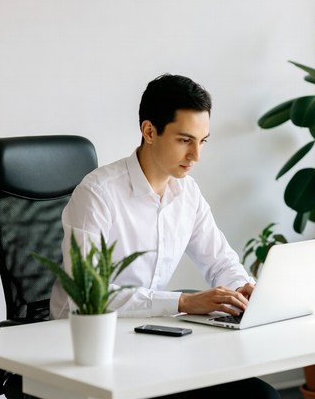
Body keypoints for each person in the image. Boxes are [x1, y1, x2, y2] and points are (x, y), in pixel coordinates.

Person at [50, 73, 281, 399]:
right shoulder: (98, 194)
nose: (196, 156)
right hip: (81, 348)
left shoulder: (186, 192)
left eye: (202, 141)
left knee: (260, 396)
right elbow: (87, 295)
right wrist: (184, 302)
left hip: (147, 340)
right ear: (149, 132)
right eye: (185, 140)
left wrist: (241, 290)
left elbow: (220, 261)